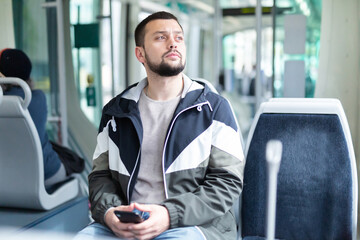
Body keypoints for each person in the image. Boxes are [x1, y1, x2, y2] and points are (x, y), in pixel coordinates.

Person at [76, 11, 245, 240]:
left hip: (193, 226)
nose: (173, 43)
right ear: (140, 54)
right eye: (160, 37)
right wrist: (109, 213)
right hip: (129, 222)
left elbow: (227, 182)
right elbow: (100, 177)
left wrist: (168, 215)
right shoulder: (116, 112)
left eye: (178, 37)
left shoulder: (214, 109)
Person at [0, 48, 84, 188]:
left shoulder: (4, 102)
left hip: (7, 178)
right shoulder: (36, 98)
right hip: (46, 173)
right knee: (73, 164)